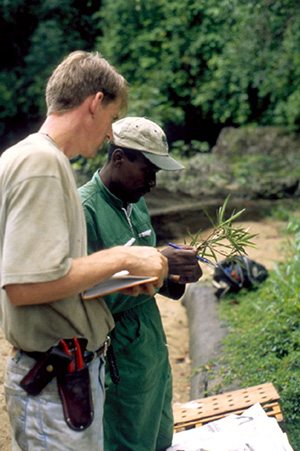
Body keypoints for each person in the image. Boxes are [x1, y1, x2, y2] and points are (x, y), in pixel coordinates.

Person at [0, 52, 168, 451]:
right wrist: (123, 258)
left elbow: (47, 276)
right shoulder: (42, 163)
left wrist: (112, 282)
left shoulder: (23, 156)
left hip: (62, 379)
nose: (110, 135)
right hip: (55, 384)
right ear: (94, 103)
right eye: (111, 119)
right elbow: (23, 286)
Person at [78, 116, 202, 451]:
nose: (153, 183)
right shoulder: (83, 211)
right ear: (118, 158)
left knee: (159, 439)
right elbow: (84, 294)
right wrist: (159, 266)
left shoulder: (135, 202)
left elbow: (155, 279)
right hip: (117, 360)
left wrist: (177, 277)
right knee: (127, 440)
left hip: (150, 351)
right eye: (148, 171)